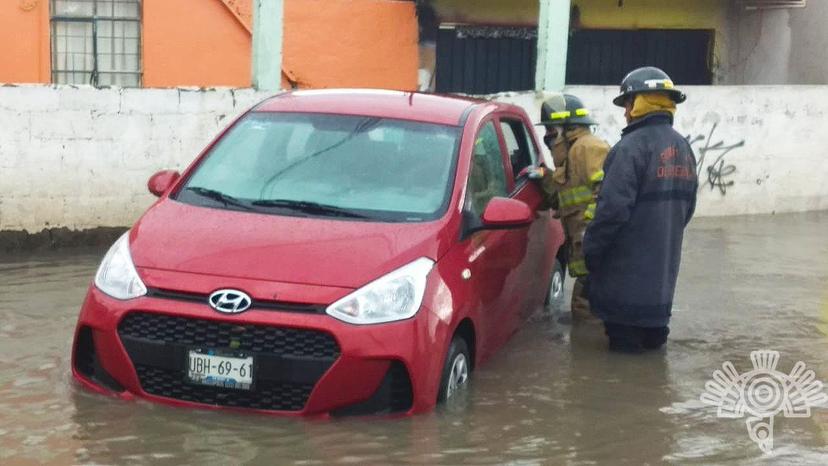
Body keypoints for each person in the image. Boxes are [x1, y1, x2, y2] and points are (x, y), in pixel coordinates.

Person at [583, 66, 698, 352]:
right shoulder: (684, 147)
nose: (625, 112)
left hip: (623, 290)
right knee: (651, 366)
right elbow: (688, 209)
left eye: (627, 104)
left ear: (640, 103)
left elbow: (611, 213)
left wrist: (590, 252)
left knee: (621, 373)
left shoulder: (630, 148)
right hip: (661, 291)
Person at [536, 94, 610, 323]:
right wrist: (542, 177)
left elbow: (608, 193)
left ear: (567, 130)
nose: (547, 139)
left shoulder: (589, 148)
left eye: (551, 132)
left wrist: (591, 232)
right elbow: (564, 201)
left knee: (591, 322)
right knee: (584, 317)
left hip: (599, 264)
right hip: (589, 267)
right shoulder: (571, 157)